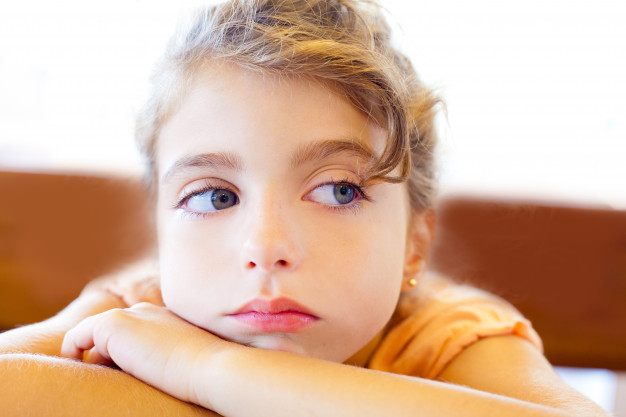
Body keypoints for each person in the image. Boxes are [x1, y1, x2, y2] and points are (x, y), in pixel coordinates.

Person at [0, 1, 609, 416]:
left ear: (413, 245)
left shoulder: (447, 336)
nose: (266, 245)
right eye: (215, 197)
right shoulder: (134, 311)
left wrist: (205, 370)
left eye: (339, 189)